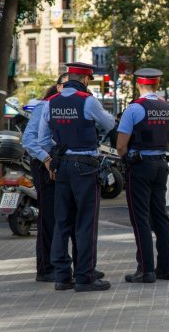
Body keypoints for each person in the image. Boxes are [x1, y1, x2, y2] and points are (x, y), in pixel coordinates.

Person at [38, 62, 115, 292]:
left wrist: (61, 148)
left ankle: (62, 277)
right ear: (86, 79)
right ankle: (84, 277)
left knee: (62, 221)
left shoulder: (50, 102)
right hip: (85, 167)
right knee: (85, 223)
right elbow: (109, 123)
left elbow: (43, 140)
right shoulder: (87, 100)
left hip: (62, 167)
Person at [21, 73, 104, 283]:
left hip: (63, 165)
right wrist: (48, 160)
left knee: (72, 217)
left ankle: (81, 267)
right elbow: (30, 140)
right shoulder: (45, 106)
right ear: (58, 86)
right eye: (67, 84)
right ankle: (47, 268)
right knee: (50, 218)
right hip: (46, 167)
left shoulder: (75, 104)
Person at [116, 68, 169, 283]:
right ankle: (166, 268)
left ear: (139, 85)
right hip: (161, 165)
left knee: (140, 217)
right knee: (160, 217)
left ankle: (146, 269)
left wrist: (128, 162)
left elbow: (121, 146)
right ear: (156, 84)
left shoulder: (133, 109)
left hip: (140, 166)